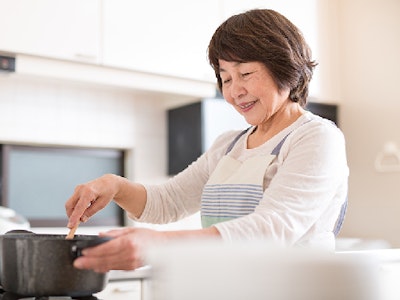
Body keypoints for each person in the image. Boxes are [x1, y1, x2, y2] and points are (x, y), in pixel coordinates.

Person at [65, 9, 348, 273]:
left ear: (284, 66)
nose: (235, 91)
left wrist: (159, 246)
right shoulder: (228, 146)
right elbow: (168, 202)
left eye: (245, 74)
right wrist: (115, 186)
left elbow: (271, 229)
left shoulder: (316, 138)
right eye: (225, 79)